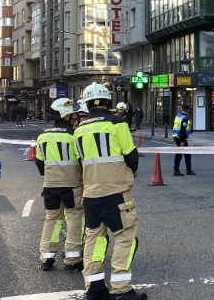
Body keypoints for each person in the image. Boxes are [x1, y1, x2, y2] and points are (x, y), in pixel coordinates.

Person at [74, 82, 146, 300]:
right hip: (116, 192)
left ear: (87, 104)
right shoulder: (117, 123)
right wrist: (127, 175)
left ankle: (94, 288)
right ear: (108, 101)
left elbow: (80, 161)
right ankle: (121, 289)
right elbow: (131, 156)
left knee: (94, 240)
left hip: (90, 194)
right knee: (126, 237)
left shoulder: (79, 129)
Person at [35, 98, 84, 272]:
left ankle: (47, 257)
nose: (76, 116)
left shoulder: (42, 136)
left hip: (49, 186)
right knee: (75, 219)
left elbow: (40, 164)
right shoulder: (74, 135)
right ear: (66, 116)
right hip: (72, 186)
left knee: (52, 219)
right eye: (73, 113)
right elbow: (82, 160)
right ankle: (73, 258)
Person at [172, 103, 194, 176]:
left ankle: (187, 170)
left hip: (176, 136)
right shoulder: (185, 118)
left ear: (182, 109)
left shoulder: (178, 116)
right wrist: (183, 141)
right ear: (188, 110)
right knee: (180, 154)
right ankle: (177, 170)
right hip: (181, 137)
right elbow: (183, 130)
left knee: (186, 153)